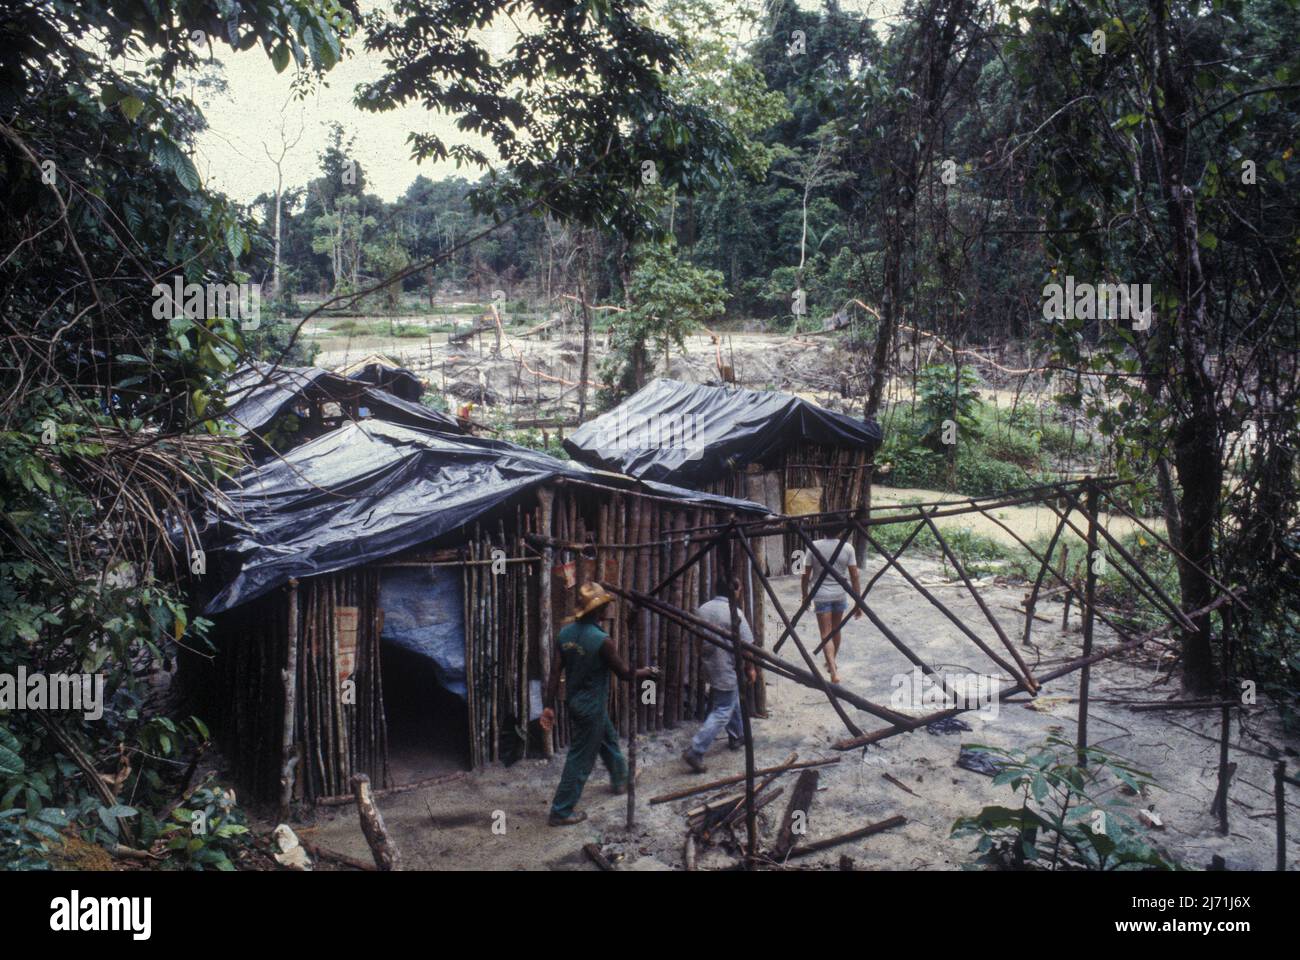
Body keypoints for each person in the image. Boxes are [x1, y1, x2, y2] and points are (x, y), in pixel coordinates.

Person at [539, 582, 657, 826]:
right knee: (580, 759)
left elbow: (554, 674)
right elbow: (625, 673)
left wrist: (549, 705)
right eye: (603, 606)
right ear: (598, 610)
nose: (606, 610)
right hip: (591, 707)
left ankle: (620, 778)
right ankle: (560, 811)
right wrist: (649, 671)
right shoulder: (603, 641)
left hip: (576, 703)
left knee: (608, 738)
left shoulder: (565, 634)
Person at [681, 577, 758, 774]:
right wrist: (750, 668)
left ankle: (737, 735)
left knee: (730, 700)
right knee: (723, 709)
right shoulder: (735, 613)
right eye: (739, 589)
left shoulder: (703, 609)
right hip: (726, 666)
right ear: (735, 590)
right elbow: (748, 646)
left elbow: (698, 641)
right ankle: (696, 749)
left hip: (710, 664)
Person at [801, 534, 862, 683]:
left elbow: (805, 575)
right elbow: (855, 576)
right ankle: (832, 662)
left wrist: (805, 596)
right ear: (840, 530)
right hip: (839, 594)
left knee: (825, 633)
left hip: (821, 595)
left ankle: (833, 671)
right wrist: (857, 602)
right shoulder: (847, 548)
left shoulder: (813, 546)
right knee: (836, 630)